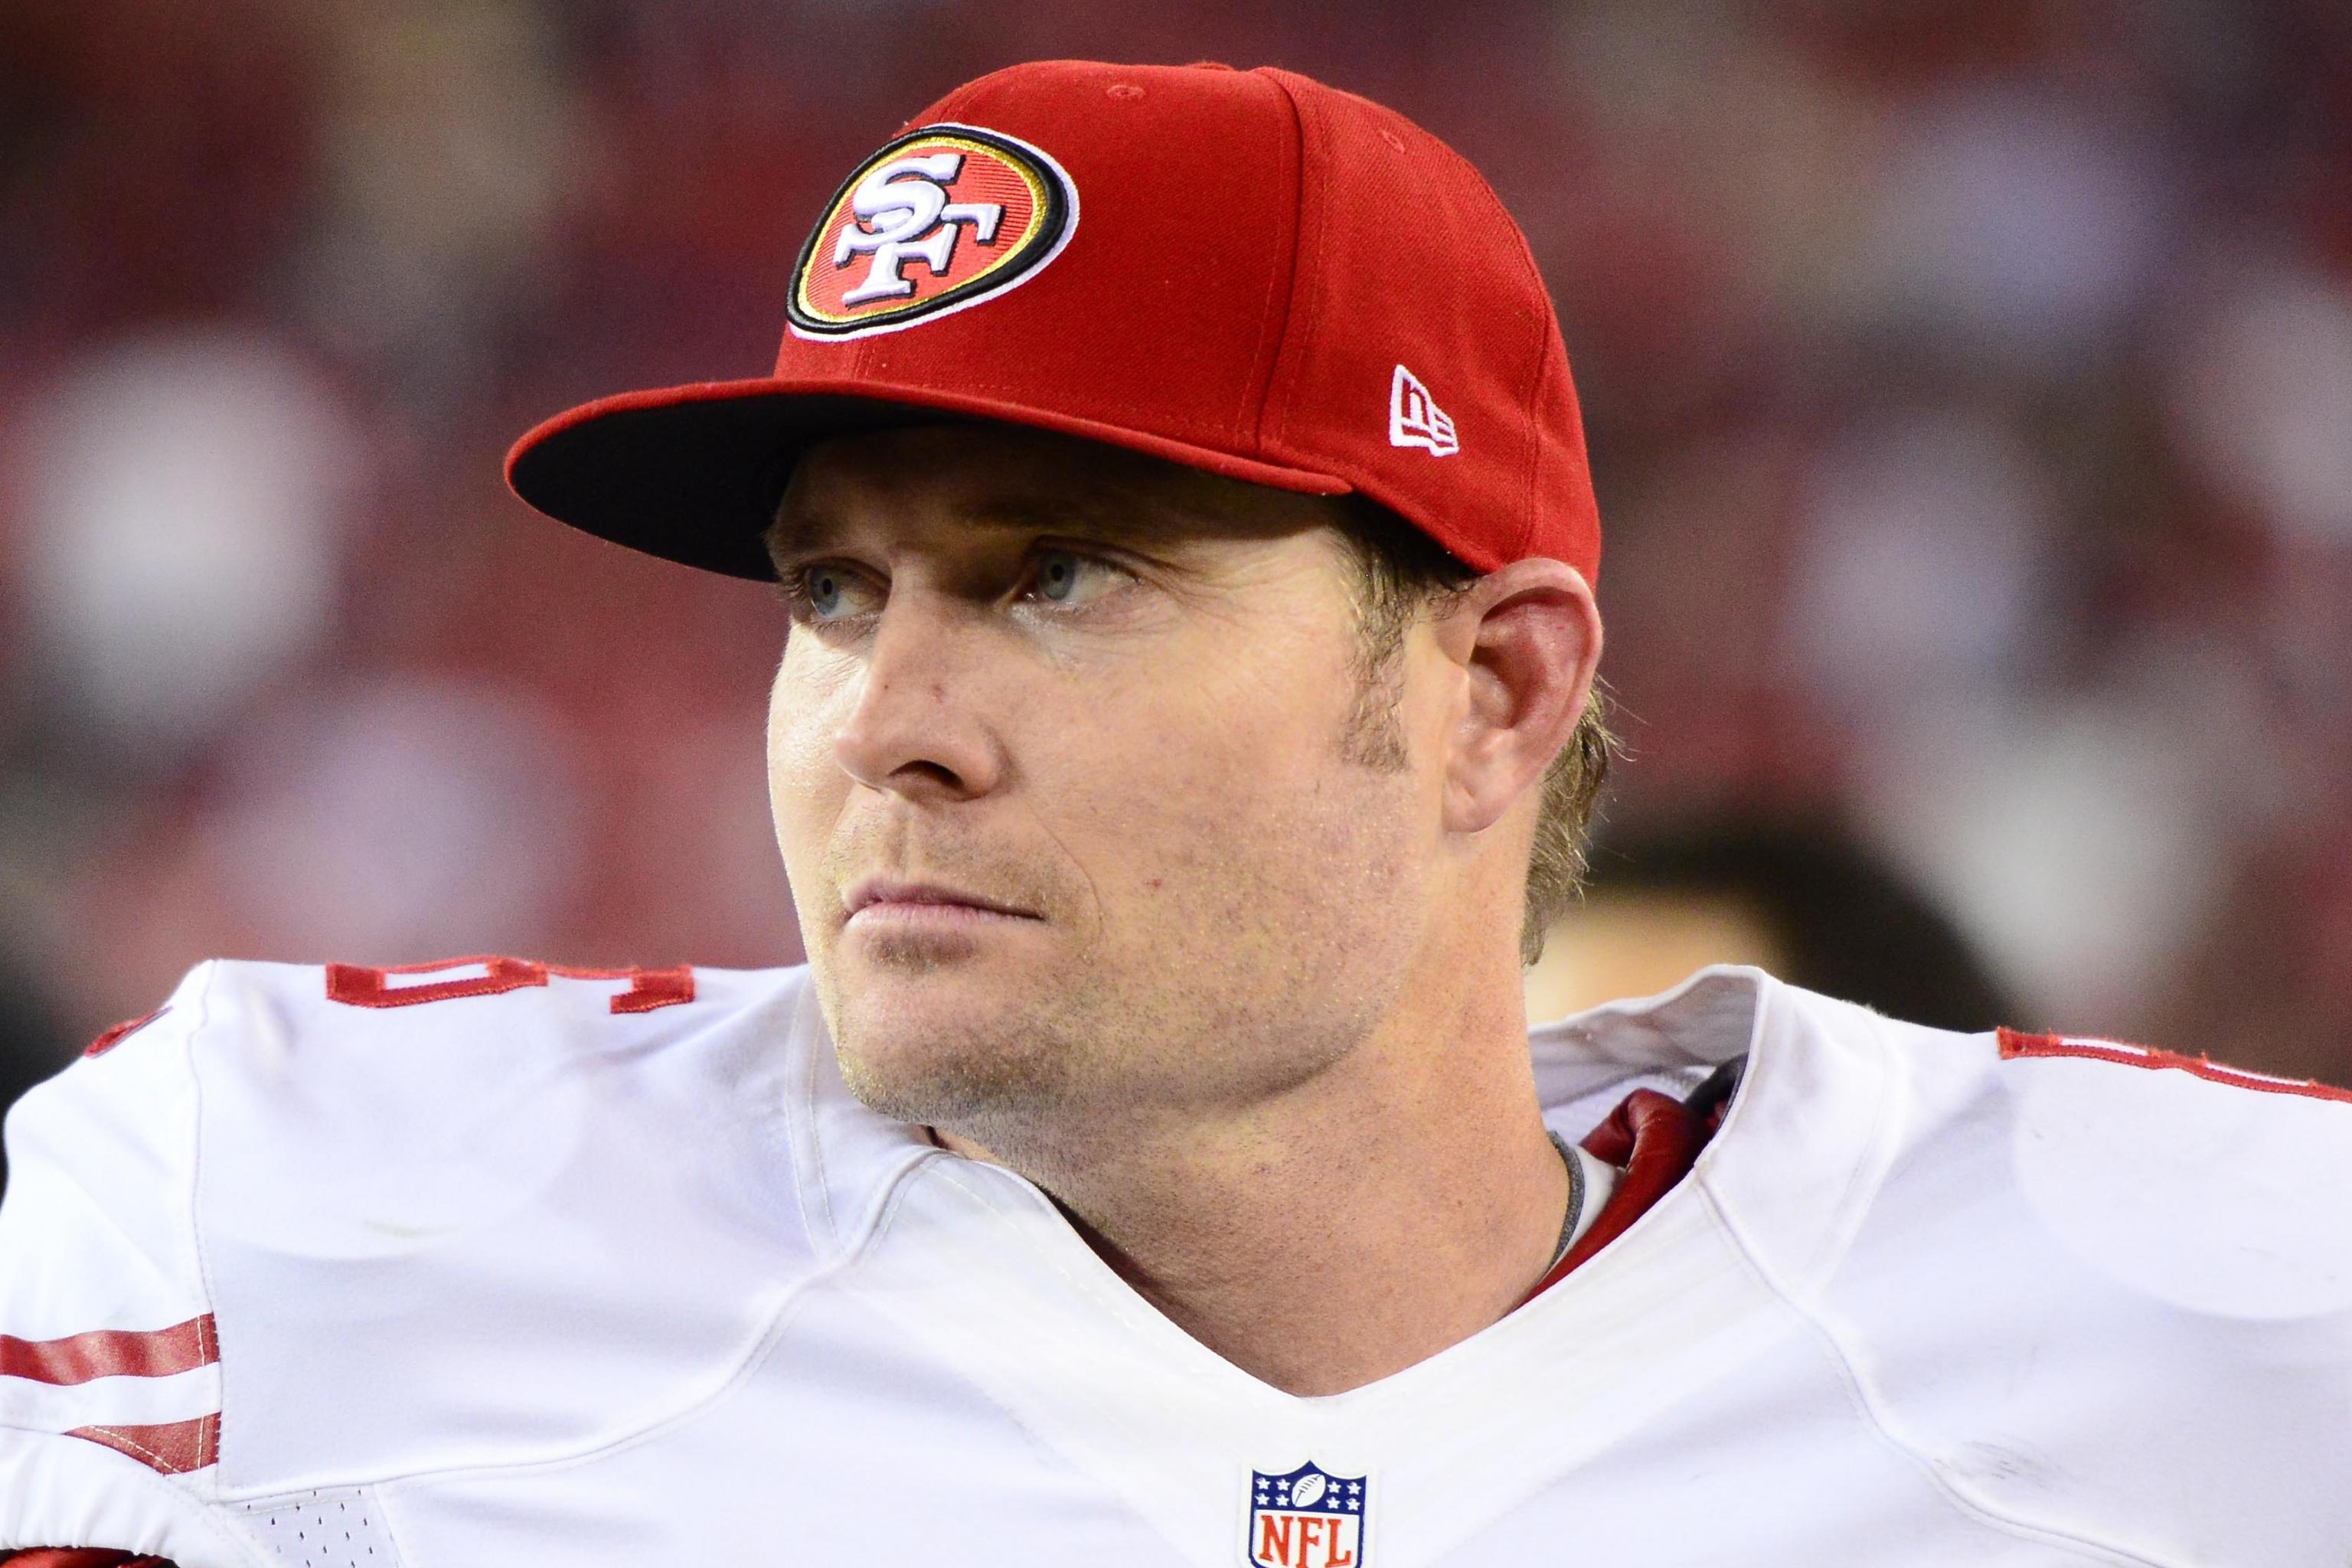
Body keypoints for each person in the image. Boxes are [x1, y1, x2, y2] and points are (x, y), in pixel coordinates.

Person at [3, 60, 2348, 1568]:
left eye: (1060, 576)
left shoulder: (2210, 1300)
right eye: (834, 585)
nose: (879, 724)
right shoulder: (288, 1207)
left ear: (1490, 693)